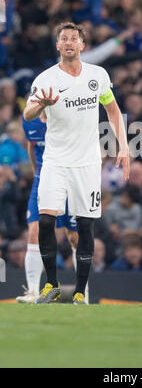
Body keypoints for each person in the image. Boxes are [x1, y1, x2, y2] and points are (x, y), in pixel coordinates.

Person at [23, 21, 130, 305]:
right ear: (57, 45)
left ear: (82, 45)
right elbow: (28, 113)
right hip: (56, 162)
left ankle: (81, 291)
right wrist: (41, 105)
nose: (69, 42)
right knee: (45, 221)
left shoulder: (98, 76)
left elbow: (113, 110)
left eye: (74, 38)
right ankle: (52, 285)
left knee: (84, 226)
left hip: (87, 163)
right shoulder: (46, 79)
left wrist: (124, 146)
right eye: (64, 38)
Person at [16, 112, 82, 303]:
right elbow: (32, 144)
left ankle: (82, 291)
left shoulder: (66, 116)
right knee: (34, 230)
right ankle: (33, 292)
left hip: (69, 179)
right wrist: (38, 173)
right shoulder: (28, 120)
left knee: (75, 237)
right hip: (43, 180)